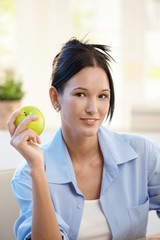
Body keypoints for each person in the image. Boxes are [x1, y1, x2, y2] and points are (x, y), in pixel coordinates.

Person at [7, 38, 160, 240]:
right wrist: (37, 168)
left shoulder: (142, 154)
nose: (93, 109)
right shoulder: (28, 174)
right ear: (55, 98)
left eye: (102, 96)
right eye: (80, 94)